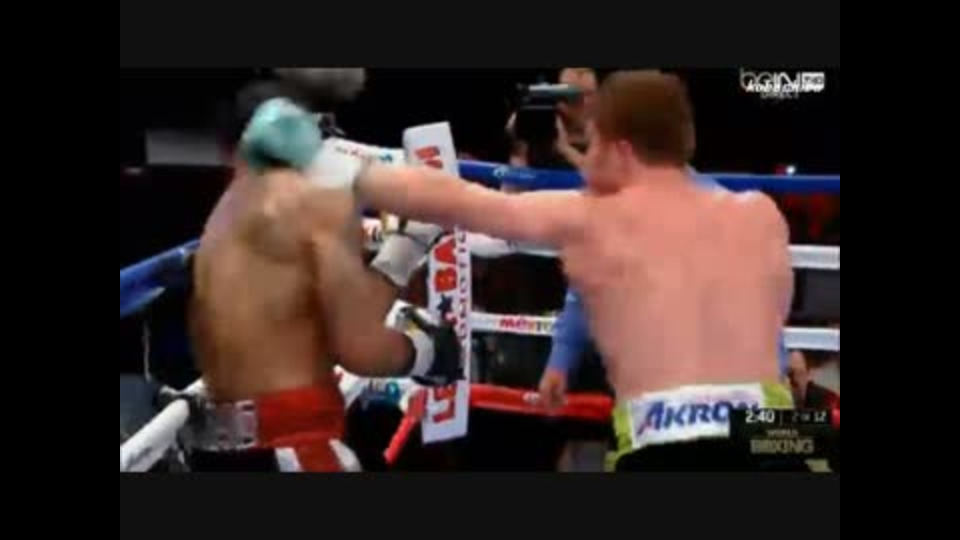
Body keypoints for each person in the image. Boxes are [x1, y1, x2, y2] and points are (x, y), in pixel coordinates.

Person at [349, 70, 795, 471]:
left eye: (593, 143)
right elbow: (765, 319)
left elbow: (467, 203)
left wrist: (338, 164)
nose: (585, 157)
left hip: (668, 435)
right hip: (778, 429)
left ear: (621, 150)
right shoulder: (760, 214)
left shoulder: (594, 218)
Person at [185, 82, 460, 472]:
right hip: (292, 441)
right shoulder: (301, 210)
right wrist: (425, 352)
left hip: (226, 449)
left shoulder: (223, 221)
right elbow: (358, 346)